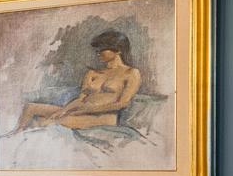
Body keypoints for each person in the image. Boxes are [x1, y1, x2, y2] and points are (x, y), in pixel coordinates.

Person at [13, 30, 142, 132]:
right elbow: (81, 99)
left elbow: (122, 104)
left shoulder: (131, 73)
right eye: (97, 49)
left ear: (118, 50)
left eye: (102, 48)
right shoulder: (92, 73)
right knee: (30, 107)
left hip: (104, 116)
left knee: (43, 123)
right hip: (80, 110)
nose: (98, 52)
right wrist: (64, 110)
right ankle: (14, 134)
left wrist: (84, 110)